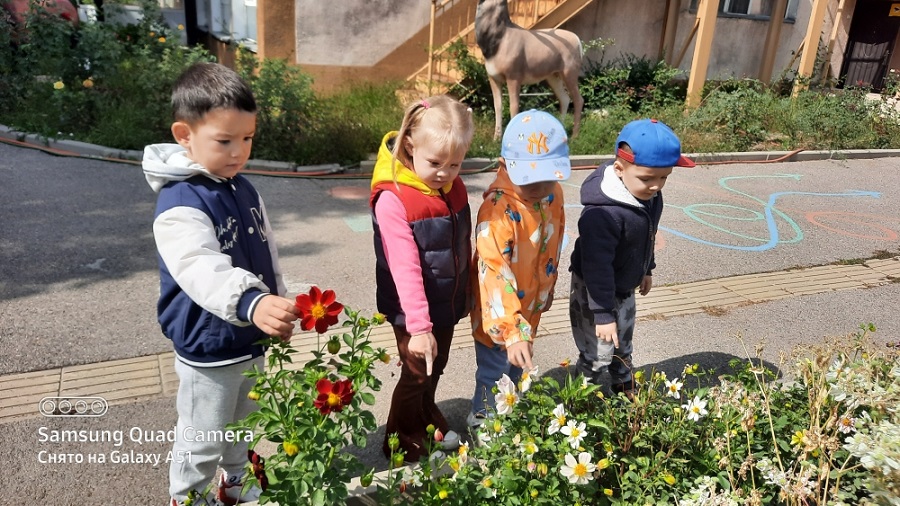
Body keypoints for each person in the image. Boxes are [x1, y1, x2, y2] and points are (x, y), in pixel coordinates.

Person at [142, 62, 299, 506]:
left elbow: (266, 254)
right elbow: (199, 266)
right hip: (208, 346)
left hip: (247, 336)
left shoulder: (242, 187)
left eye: (247, 139)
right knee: (204, 432)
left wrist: (277, 301)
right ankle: (187, 496)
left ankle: (234, 482)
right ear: (184, 135)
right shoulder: (179, 202)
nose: (238, 152)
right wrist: (252, 302)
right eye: (225, 141)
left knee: (243, 422)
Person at [370, 95, 475, 462]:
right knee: (416, 371)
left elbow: (462, 243)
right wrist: (418, 327)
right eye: (435, 163)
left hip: (446, 299)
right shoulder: (394, 199)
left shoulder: (450, 186)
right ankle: (400, 436)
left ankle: (426, 414)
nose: (445, 172)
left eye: (455, 164)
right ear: (411, 145)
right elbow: (405, 268)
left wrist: (469, 292)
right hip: (412, 310)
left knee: (437, 364)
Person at [569, 118, 694, 397]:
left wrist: (647, 268)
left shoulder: (649, 197)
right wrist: (602, 314)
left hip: (624, 283)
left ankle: (622, 379)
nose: (656, 186)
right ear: (619, 169)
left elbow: (647, 235)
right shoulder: (601, 215)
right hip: (594, 288)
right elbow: (596, 265)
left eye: (664, 177)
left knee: (623, 340)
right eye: (647, 178)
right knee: (598, 349)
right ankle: (578, 396)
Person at [469, 109, 571, 423]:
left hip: (529, 307)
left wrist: (549, 286)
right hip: (498, 315)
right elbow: (494, 271)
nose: (541, 188)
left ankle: (507, 413)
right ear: (504, 166)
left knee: (517, 366)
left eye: (548, 179)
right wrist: (511, 331)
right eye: (531, 181)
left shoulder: (551, 195)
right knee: (494, 369)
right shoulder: (497, 210)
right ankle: (483, 418)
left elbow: (555, 238)